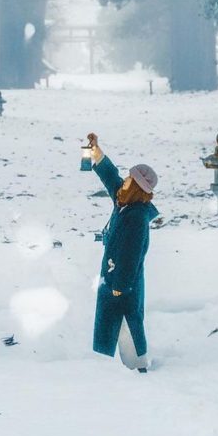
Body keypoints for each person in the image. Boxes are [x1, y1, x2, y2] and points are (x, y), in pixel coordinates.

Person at [86, 132, 159, 372]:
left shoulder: (137, 216)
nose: (125, 181)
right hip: (114, 279)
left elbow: (132, 254)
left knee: (128, 323)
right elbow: (111, 177)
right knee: (115, 322)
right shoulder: (123, 201)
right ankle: (118, 366)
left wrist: (122, 284)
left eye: (130, 180)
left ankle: (139, 367)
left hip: (124, 283)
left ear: (137, 188)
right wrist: (94, 151)